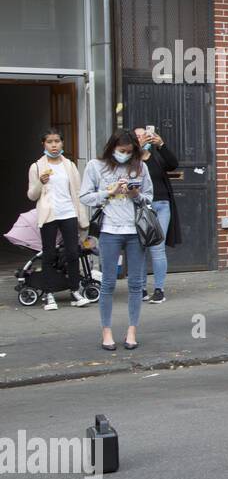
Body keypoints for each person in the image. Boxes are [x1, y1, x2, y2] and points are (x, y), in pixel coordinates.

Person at [80, 130, 153, 351]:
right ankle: (107, 331)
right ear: (113, 148)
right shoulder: (95, 166)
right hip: (110, 229)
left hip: (135, 230)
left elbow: (149, 197)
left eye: (130, 152)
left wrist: (135, 195)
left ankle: (132, 330)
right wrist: (107, 192)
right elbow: (84, 196)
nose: (125, 155)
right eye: (122, 151)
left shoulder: (140, 166)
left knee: (135, 284)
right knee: (108, 283)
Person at [27, 128, 91, 310]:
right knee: (49, 254)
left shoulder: (69, 165)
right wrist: (41, 182)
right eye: (50, 142)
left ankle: (75, 290)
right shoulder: (37, 167)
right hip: (48, 215)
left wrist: (82, 215)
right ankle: (49, 294)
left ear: (62, 143)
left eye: (57, 141)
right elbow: (32, 195)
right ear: (43, 144)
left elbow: (77, 192)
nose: (54, 145)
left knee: (72, 253)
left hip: (68, 212)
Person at [133, 126, 180, 303]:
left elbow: (173, 164)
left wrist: (161, 144)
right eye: (137, 137)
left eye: (143, 136)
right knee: (140, 247)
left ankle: (159, 289)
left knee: (157, 248)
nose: (141, 139)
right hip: (141, 207)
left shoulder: (156, 158)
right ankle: (142, 288)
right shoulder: (131, 160)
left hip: (161, 205)